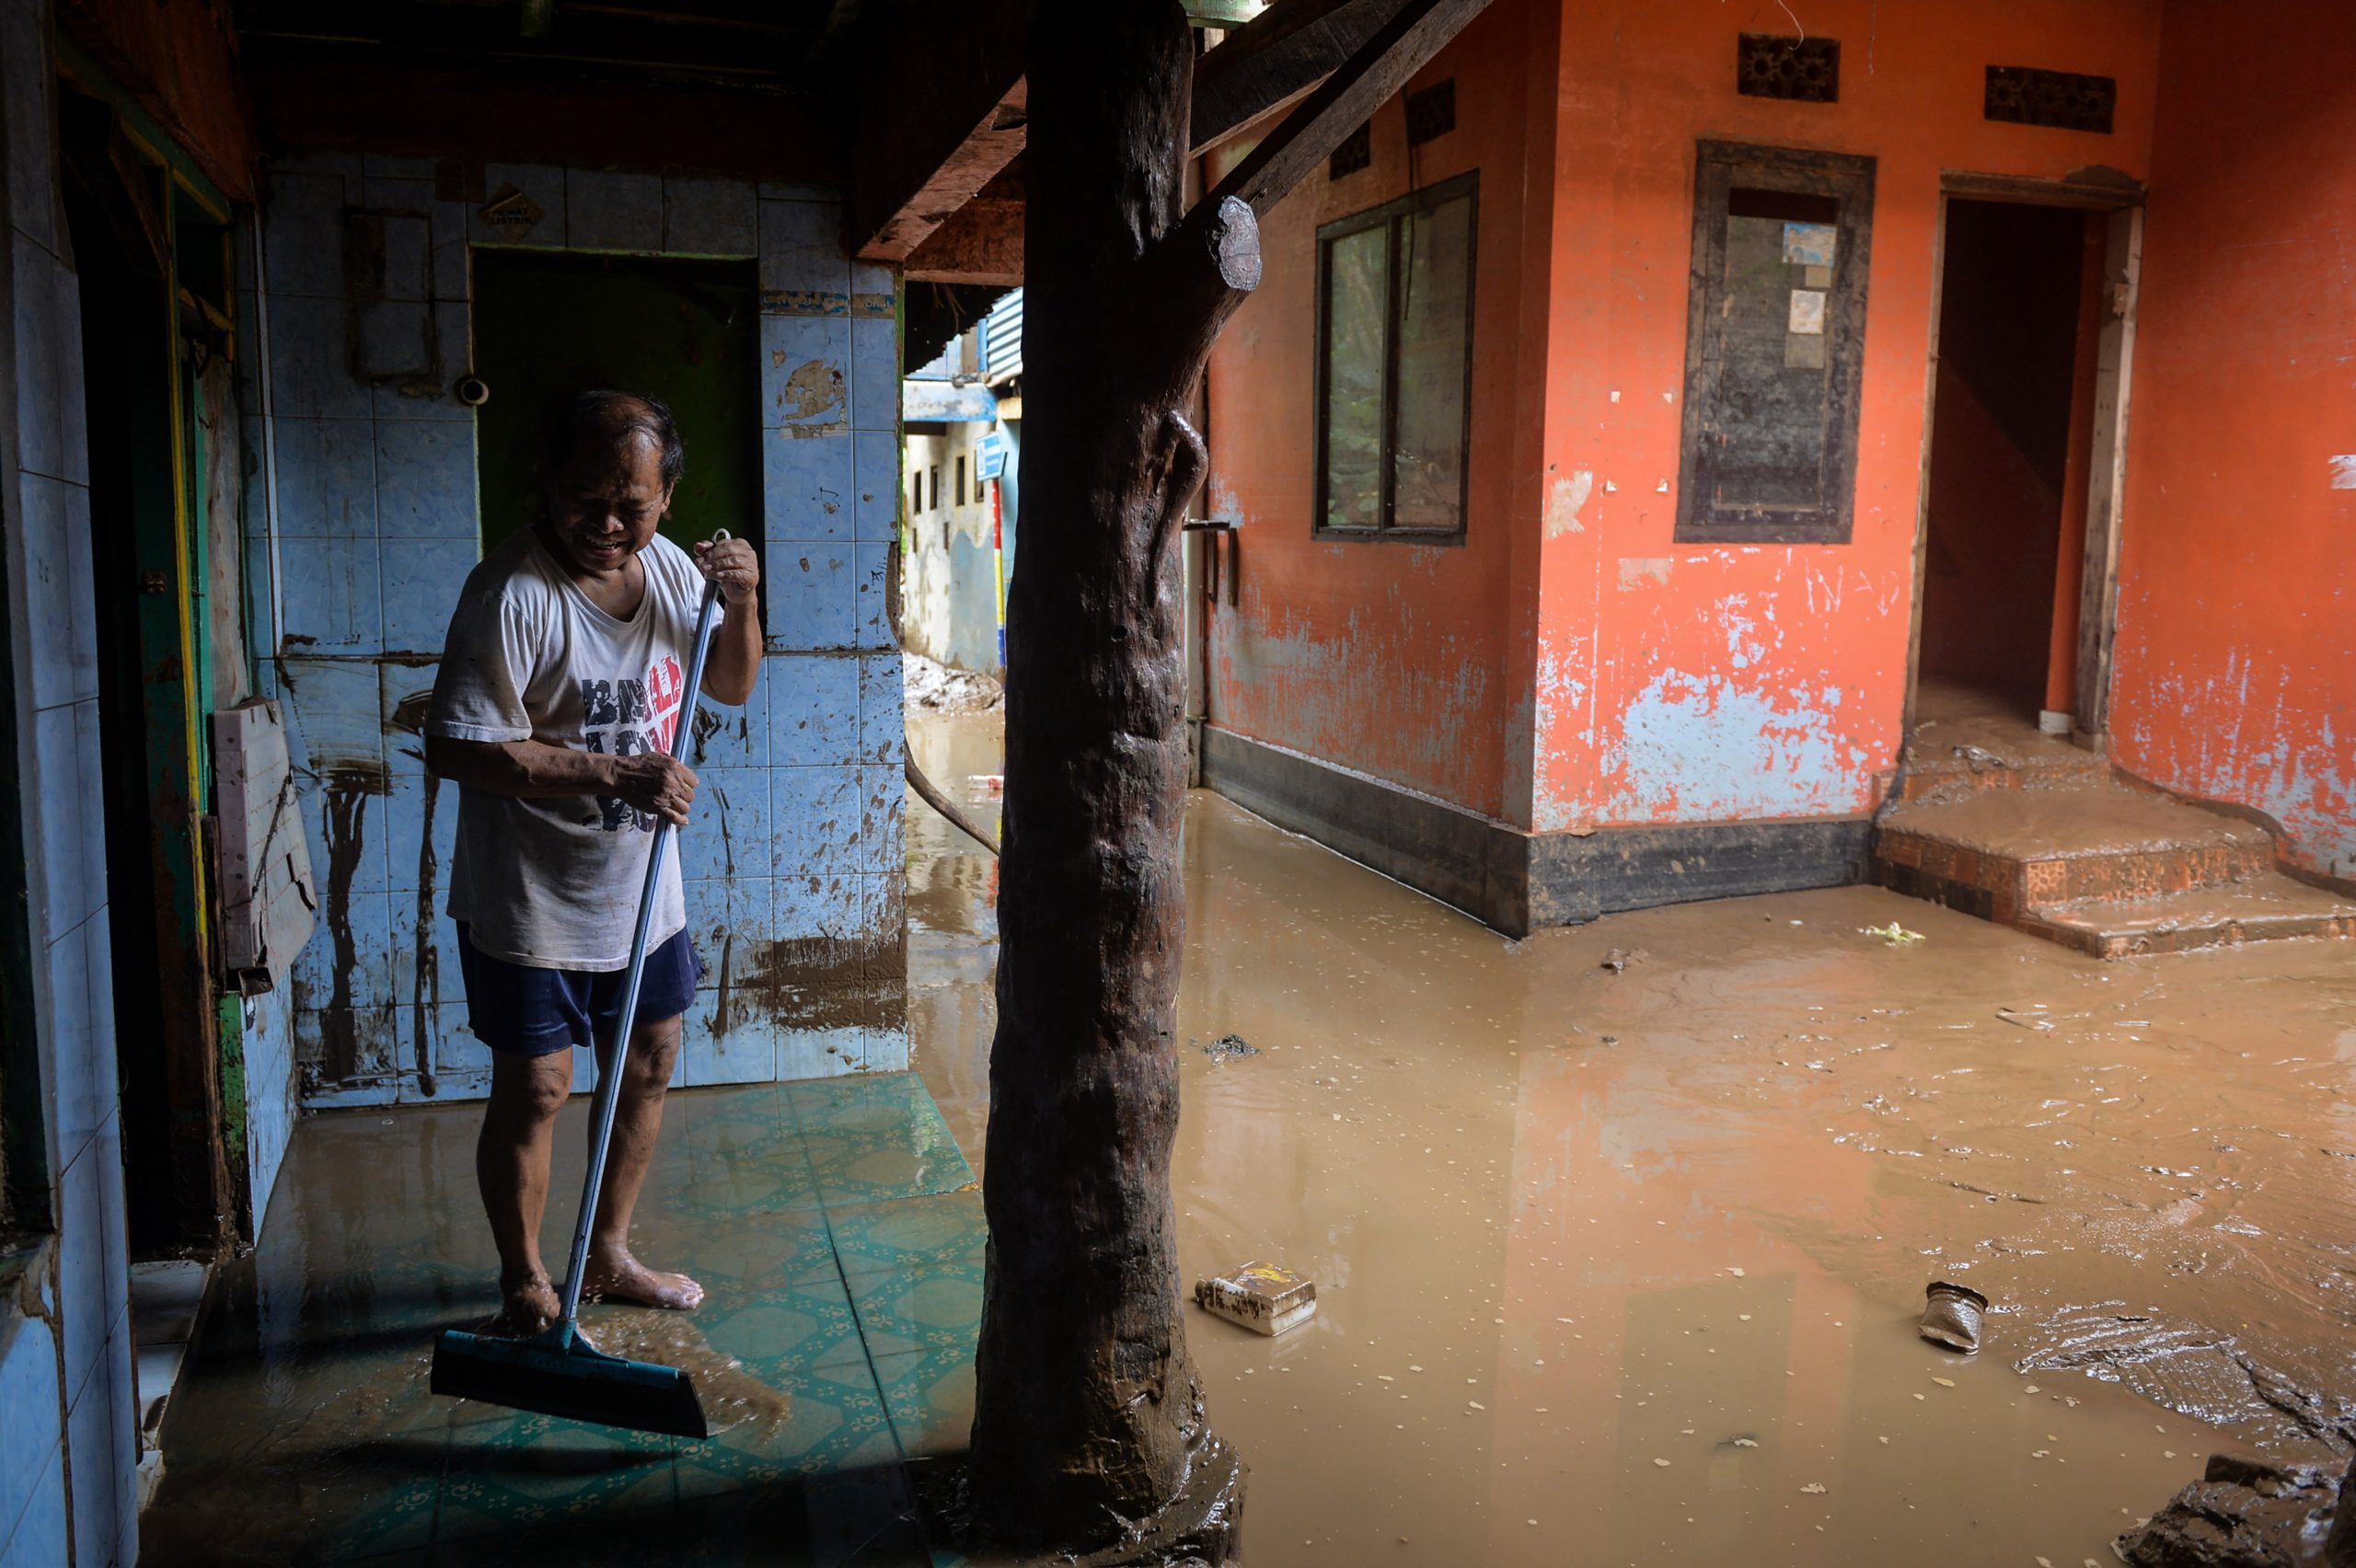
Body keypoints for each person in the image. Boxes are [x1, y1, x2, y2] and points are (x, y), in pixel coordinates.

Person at [423, 390, 762, 1333]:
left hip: (644, 895)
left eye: (634, 506)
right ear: (546, 484)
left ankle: (608, 1253)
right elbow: (454, 748)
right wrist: (613, 771)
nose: (610, 526)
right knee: (537, 1087)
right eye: (586, 502)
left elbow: (729, 683)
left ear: (665, 497)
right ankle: (527, 1280)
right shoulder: (512, 593)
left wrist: (741, 601)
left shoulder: (668, 569)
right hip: (529, 897)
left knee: (646, 1066)